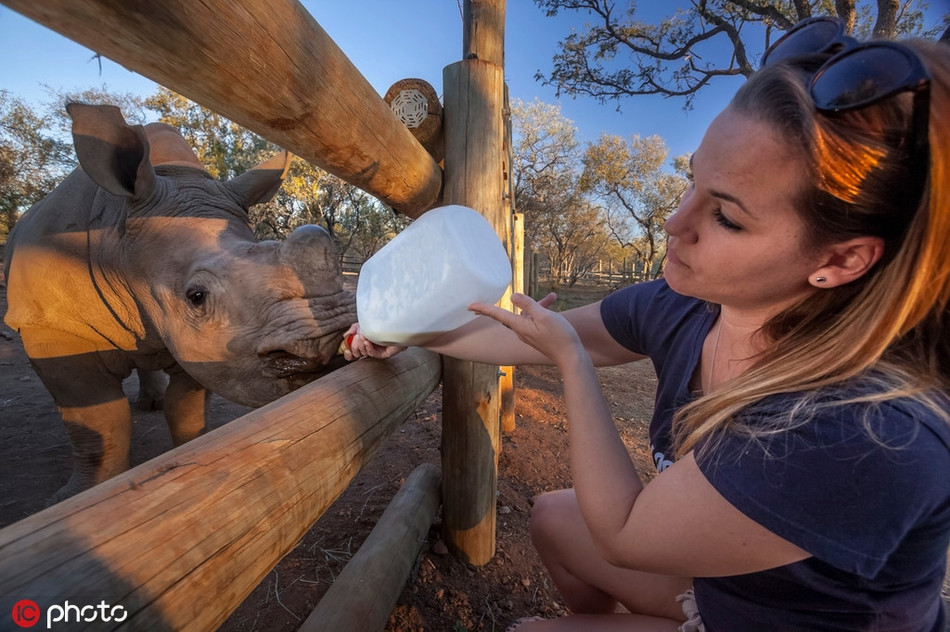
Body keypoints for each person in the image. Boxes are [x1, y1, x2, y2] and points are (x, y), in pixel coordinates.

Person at [344, 17, 950, 631]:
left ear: (840, 260)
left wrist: (573, 365)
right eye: (692, 183)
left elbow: (626, 535)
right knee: (555, 516)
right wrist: (405, 330)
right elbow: (519, 334)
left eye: (727, 219)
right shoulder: (686, 305)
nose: (674, 223)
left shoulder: (866, 432)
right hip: (726, 588)